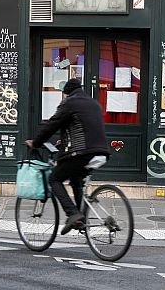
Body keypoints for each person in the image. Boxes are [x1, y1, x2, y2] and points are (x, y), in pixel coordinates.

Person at [25, 78, 111, 235]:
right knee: (76, 180)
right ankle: (80, 219)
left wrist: (36, 143)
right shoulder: (94, 103)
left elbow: (52, 125)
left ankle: (73, 214)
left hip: (80, 152)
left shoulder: (69, 103)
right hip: (101, 152)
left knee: (54, 179)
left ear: (66, 92)